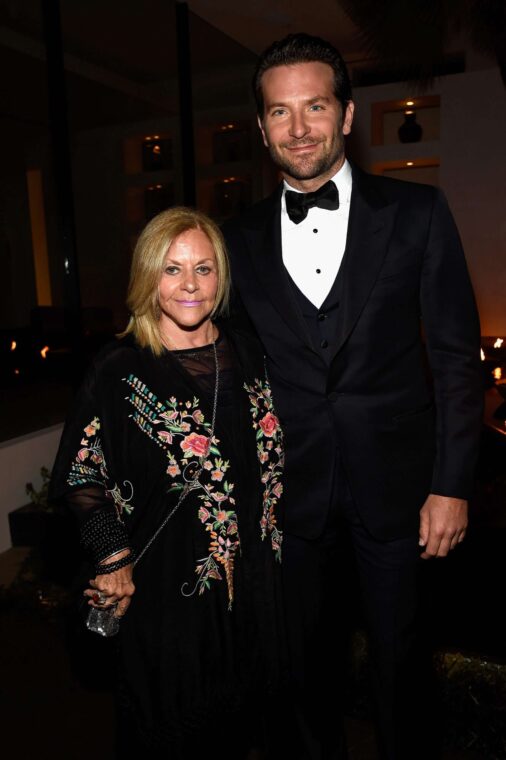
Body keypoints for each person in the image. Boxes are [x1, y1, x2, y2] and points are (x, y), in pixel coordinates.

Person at [223, 33, 483, 760]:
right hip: (288, 500)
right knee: (304, 673)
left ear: (345, 116)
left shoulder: (418, 213)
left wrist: (452, 485)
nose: (298, 127)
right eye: (280, 112)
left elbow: (459, 362)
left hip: (401, 496)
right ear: (261, 127)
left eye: (314, 106)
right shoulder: (234, 239)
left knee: (403, 670)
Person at [50, 207, 285, 758]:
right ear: (147, 275)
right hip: (165, 603)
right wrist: (112, 555)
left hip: (256, 591)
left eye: (204, 269)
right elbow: (81, 472)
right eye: (172, 268)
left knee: (248, 731)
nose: (189, 285)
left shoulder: (250, 352)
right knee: (173, 733)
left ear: (221, 277)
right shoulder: (118, 368)